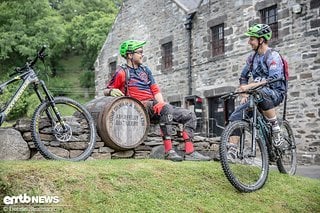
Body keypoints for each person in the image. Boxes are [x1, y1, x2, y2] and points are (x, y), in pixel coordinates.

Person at [104, 40, 210, 162]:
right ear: (129, 55)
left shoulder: (145, 70)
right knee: (166, 108)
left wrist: (161, 104)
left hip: (153, 105)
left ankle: (190, 152)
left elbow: (155, 90)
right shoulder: (121, 72)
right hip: (139, 107)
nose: (142, 55)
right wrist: (111, 92)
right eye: (139, 52)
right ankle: (169, 151)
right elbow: (107, 90)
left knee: (189, 115)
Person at [227, 24, 287, 160]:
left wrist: (250, 86)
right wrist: (243, 94)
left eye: (252, 39)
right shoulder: (252, 58)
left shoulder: (273, 56)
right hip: (256, 94)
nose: (249, 42)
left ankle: (276, 129)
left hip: (275, 92)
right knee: (236, 115)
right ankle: (232, 151)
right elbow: (243, 76)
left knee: (262, 94)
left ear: (261, 40)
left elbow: (274, 78)